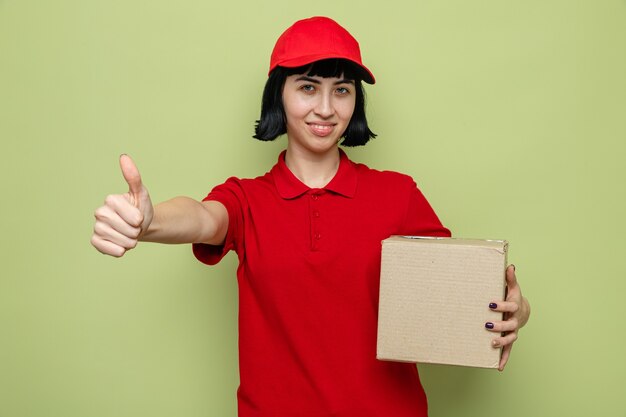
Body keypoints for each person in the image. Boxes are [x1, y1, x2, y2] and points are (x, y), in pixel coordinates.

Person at [91, 16, 530, 417]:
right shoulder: (247, 200)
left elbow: (461, 294)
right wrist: (148, 223)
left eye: (341, 90)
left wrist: (515, 312)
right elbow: (204, 218)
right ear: (279, 95)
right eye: (307, 86)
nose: (325, 108)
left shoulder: (397, 194)